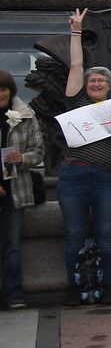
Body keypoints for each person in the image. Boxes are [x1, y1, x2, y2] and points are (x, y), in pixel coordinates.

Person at [58, 8, 111, 306]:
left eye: (102, 81)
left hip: (108, 178)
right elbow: (76, 65)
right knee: (74, 233)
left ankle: (106, 286)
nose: (96, 83)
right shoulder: (76, 102)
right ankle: (75, 288)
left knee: (106, 234)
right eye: (93, 81)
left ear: (110, 86)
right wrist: (76, 30)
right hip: (74, 175)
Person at [0, 71, 43, 308]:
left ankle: (14, 294)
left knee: (12, 244)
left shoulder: (25, 115)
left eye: (4, 88)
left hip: (15, 189)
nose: (1, 93)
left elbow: (38, 151)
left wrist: (21, 158)